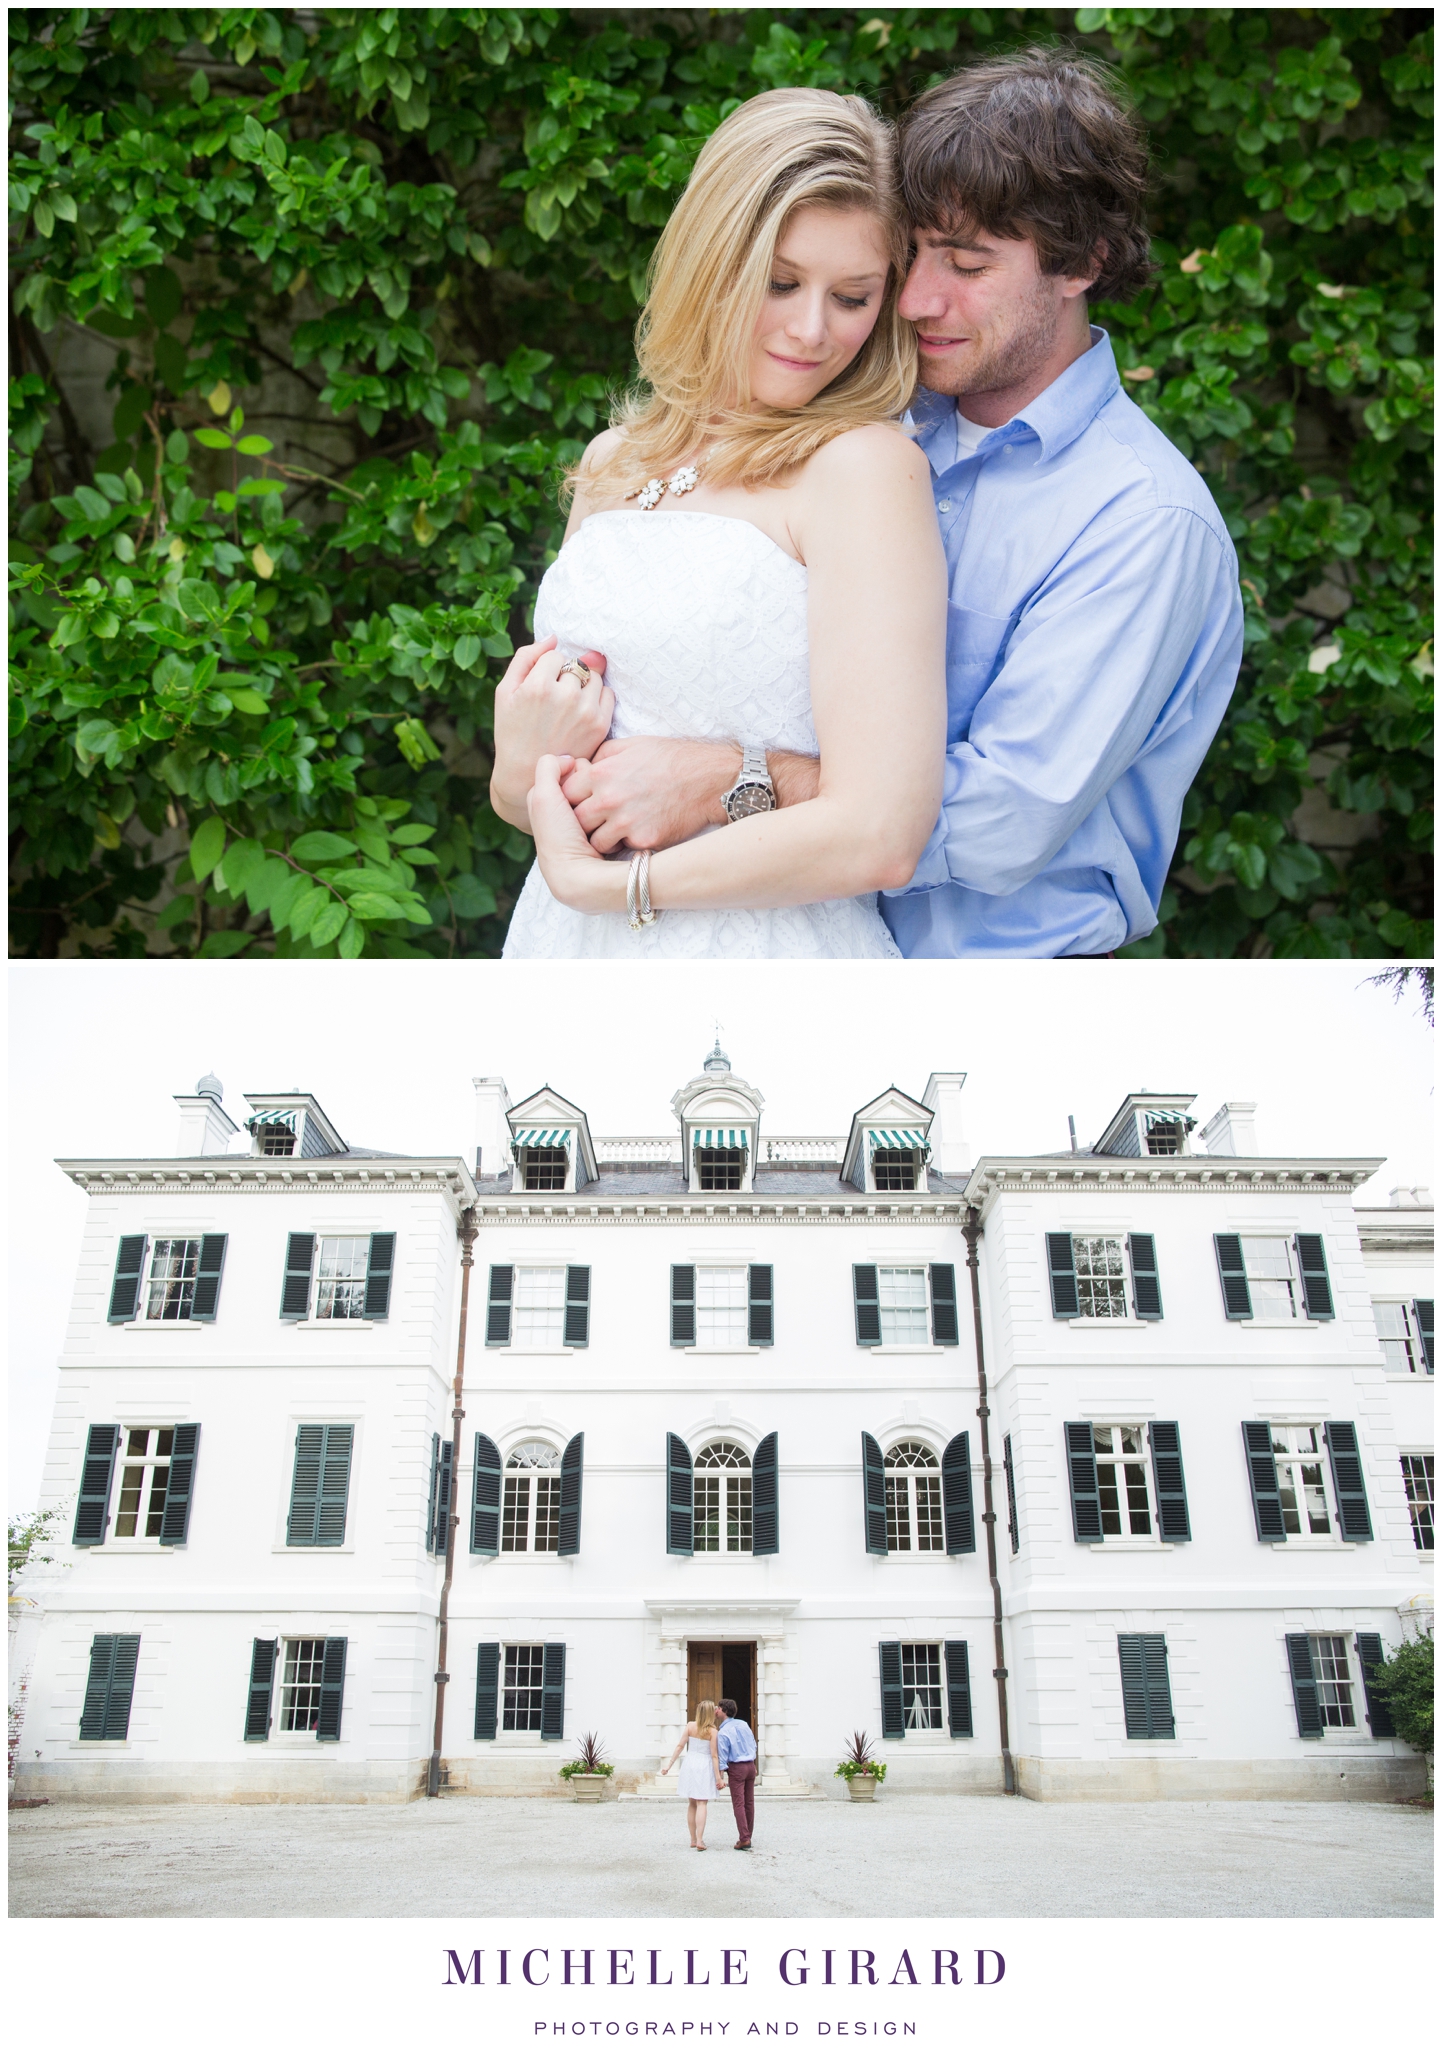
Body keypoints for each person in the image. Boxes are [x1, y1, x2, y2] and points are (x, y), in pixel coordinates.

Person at [496, 47, 1243, 959]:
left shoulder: (1140, 520)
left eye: (965, 264)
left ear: (1081, 263)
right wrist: (530, 759)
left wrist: (736, 779)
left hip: (997, 986)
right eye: (910, 262)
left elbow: (1001, 816)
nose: (917, 301)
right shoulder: (870, 426)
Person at [491, 87, 947, 958]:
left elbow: (883, 832)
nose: (812, 330)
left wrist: (626, 882)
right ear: (712, 260)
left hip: (763, 962)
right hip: (564, 952)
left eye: (852, 297)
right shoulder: (612, 462)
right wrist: (522, 762)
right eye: (780, 283)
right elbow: (538, 803)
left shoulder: (862, 469)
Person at [660, 1698, 724, 1850]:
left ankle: (693, 1839)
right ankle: (701, 1840)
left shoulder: (690, 1726)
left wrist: (669, 1765)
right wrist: (718, 1777)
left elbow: (680, 1746)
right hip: (704, 1765)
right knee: (702, 1802)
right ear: (710, 1714)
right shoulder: (713, 1731)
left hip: (690, 1763)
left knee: (692, 1803)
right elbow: (714, 1756)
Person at [715, 1696, 759, 1851]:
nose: (716, 1709)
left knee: (739, 1803)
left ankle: (744, 1838)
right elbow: (753, 1744)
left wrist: (719, 1776)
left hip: (737, 1768)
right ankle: (748, 1835)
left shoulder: (723, 1731)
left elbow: (722, 1755)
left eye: (718, 1708)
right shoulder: (744, 1724)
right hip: (749, 1764)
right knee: (749, 1802)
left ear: (724, 1711)